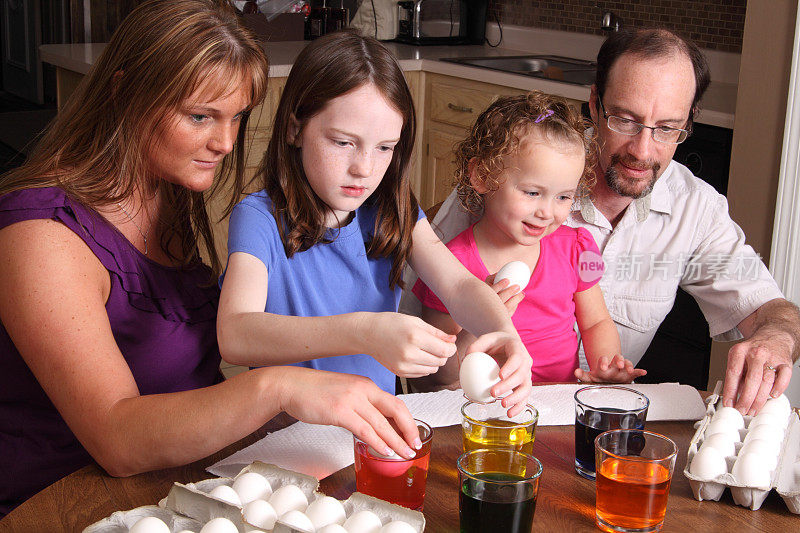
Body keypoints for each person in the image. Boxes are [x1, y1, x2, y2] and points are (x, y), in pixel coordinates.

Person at [0, 1, 418, 517]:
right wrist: (278, 387)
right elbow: (118, 440)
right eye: (200, 116)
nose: (224, 143)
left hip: (172, 489)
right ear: (124, 93)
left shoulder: (162, 196)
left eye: (237, 117)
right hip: (59, 504)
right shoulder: (40, 233)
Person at [406, 28, 800, 415]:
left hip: (584, 418)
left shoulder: (695, 209)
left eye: (666, 129)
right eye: (625, 120)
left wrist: (776, 338)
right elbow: (421, 369)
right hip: (487, 411)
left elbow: (772, 308)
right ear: (595, 103)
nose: (643, 150)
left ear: (688, 124)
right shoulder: (507, 179)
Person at [216, 30, 533, 433]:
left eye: (385, 148)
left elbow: (459, 286)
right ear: (295, 129)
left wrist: (505, 335)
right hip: (284, 439)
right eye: (344, 142)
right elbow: (236, 332)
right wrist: (365, 332)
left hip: (378, 435)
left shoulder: (390, 210)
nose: (364, 168)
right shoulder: (259, 218)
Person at [411, 92, 646, 390]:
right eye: (532, 193)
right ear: (482, 176)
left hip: (556, 401)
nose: (546, 212)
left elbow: (596, 322)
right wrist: (478, 319)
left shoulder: (576, 248)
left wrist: (607, 364)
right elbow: (439, 375)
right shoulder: (449, 264)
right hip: (487, 405)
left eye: (563, 197)